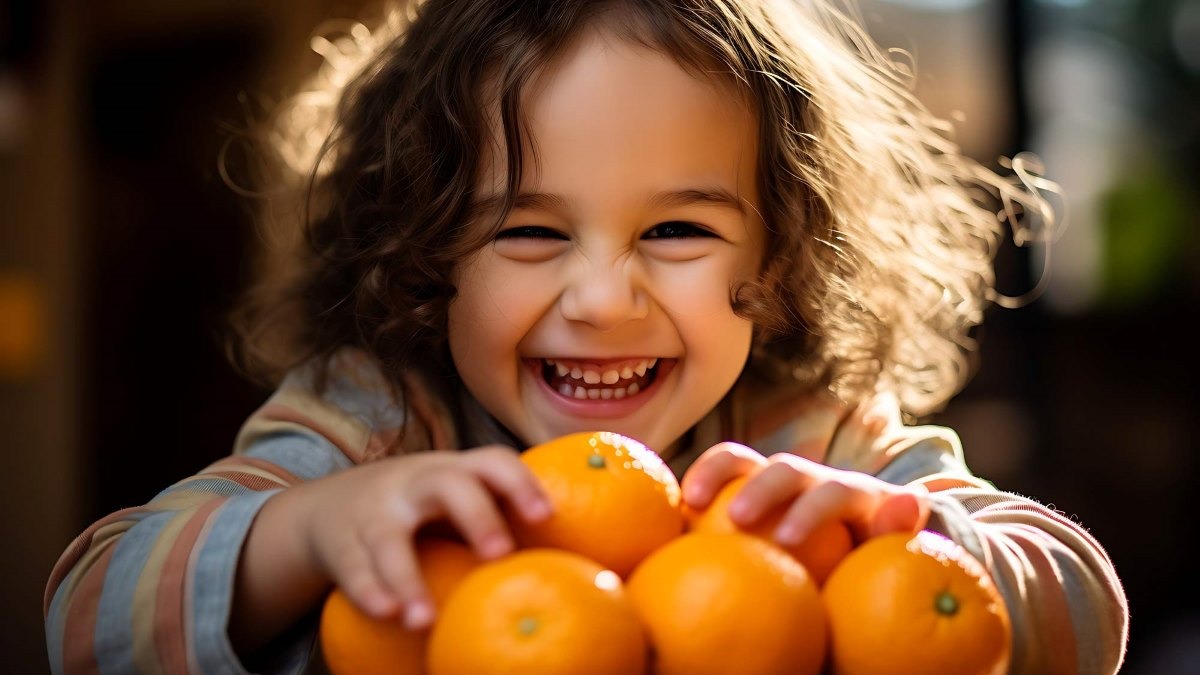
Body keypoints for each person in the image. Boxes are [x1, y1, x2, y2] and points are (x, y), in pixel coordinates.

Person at [44, 0, 1129, 673]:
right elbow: (86, 620)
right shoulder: (379, 419)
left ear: (781, 252)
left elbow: (1086, 608)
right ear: (423, 253)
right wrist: (316, 525)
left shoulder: (811, 439)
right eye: (527, 231)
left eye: (676, 228)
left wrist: (910, 541)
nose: (604, 298)